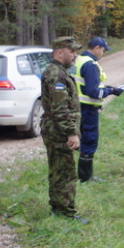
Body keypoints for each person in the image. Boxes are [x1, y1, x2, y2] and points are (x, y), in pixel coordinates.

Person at [41, 37, 88, 224]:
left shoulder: (57, 72)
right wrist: (71, 133)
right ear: (60, 52)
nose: (75, 55)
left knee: (58, 170)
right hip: (59, 131)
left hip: (55, 129)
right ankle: (66, 213)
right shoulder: (56, 75)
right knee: (65, 173)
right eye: (72, 51)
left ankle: (57, 208)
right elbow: (60, 108)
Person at [71, 37, 124, 183]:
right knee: (89, 141)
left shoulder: (79, 59)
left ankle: (78, 174)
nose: (104, 53)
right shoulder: (90, 64)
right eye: (103, 50)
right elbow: (93, 92)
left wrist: (108, 88)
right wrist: (111, 91)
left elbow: (84, 85)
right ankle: (86, 177)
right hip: (88, 109)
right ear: (97, 48)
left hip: (77, 106)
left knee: (79, 140)